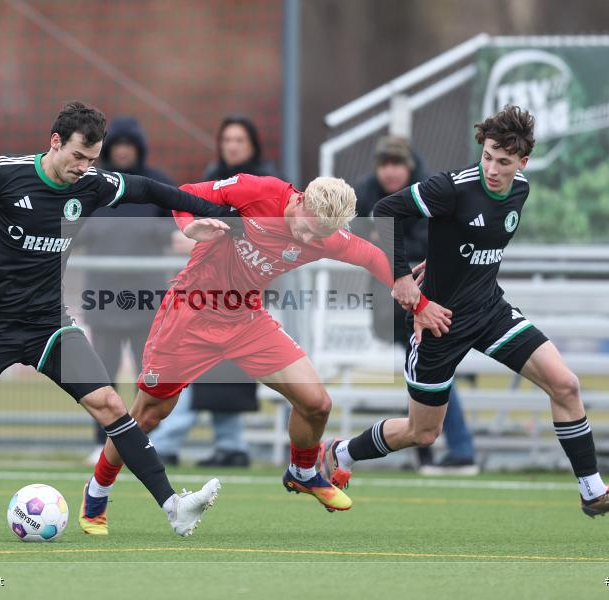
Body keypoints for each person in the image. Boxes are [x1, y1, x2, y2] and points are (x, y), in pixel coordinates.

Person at [0, 102, 235, 537]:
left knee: (111, 405)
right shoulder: (5, 174)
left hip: (48, 323)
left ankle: (174, 506)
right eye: (78, 156)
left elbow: (152, 191)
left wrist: (212, 212)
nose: (84, 167)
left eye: (92, 159)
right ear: (55, 142)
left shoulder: (92, 184)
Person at [319, 106, 609, 518]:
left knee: (565, 385)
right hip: (439, 322)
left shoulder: (520, 190)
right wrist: (403, 279)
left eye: (504, 162)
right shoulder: (452, 188)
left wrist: (445, 261)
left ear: (522, 163)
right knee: (422, 432)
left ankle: (593, 492)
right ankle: (342, 452)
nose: (493, 169)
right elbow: (386, 210)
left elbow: (473, 243)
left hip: (490, 311)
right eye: (488, 156)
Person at [80, 173, 453, 535]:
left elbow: (373, 257)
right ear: (301, 200)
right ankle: (97, 492)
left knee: (317, 403)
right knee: (148, 414)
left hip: (246, 319)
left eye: (319, 236)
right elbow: (187, 191)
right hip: (191, 315)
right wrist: (189, 225)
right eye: (307, 229)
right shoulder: (257, 191)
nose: (309, 240)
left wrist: (415, 298)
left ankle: (302, 472)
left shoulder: (324, 235)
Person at [151, 115, 278, 467]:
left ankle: (173, 442)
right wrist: (189, 232)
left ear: (252, 145)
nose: (232, 146)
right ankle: (229, 444)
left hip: (242, 295)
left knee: (218, 370)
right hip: (207, 291)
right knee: (200, 367)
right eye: (227, 140)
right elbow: (190, 213)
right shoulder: (213, 176)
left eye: (239, 140)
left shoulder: (266, 182)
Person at [351, 135, 479, 476]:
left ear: (409, 167)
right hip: (390, 303)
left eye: (397, 164)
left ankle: (458, 450)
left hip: (429, 297)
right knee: (424, 375)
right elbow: (354, 234)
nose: (391, 171)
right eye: (384, 164)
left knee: (432, 373)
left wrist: (383, 240)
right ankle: (435, 450)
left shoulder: (428, 191)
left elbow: (428, 244)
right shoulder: (365, 192)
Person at [79, 116, 176, 465]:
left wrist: (156, 233)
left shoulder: (156, 183)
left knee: (148, 376)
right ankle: (102, 442)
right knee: (101, 377)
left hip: (147, 299)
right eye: (117, 145)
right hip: (102, 298)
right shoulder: (90, 182)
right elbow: (73, 225)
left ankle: (145, 441)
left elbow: (178, 225)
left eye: (128, 145)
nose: (122, 152)